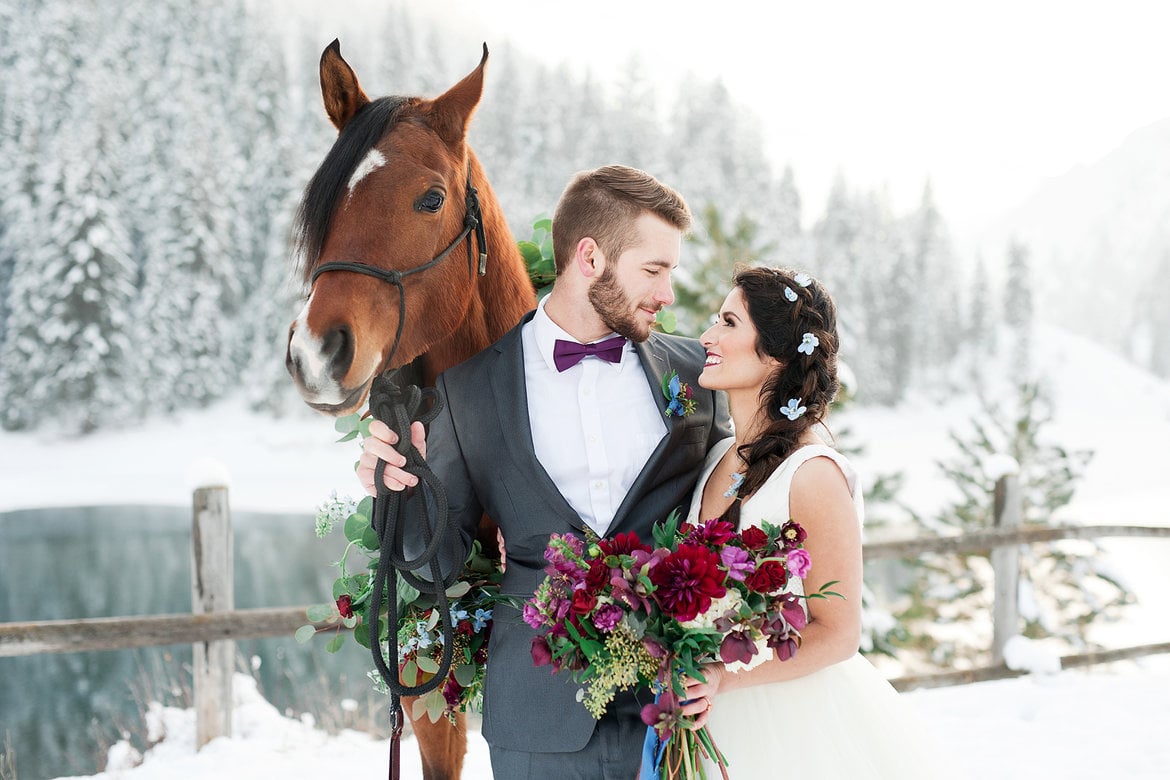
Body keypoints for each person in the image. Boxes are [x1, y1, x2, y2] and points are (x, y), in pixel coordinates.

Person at [358, 165, 731, 779]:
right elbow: (435, 557)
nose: (668, 293)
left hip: (680, 710)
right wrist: (396, 490)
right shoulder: (471, 389)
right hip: (537, 720)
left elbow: (736, 511)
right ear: (590, 257)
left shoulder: (696, 376)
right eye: (654, 270)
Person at [678, 266, 943, 778]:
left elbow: (839, 633)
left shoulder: (812, 473)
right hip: (707, 723)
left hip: (787, 723)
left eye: (729, 323)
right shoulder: (716, 457)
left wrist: (726, 679)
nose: (708, 336)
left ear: (775, 354)